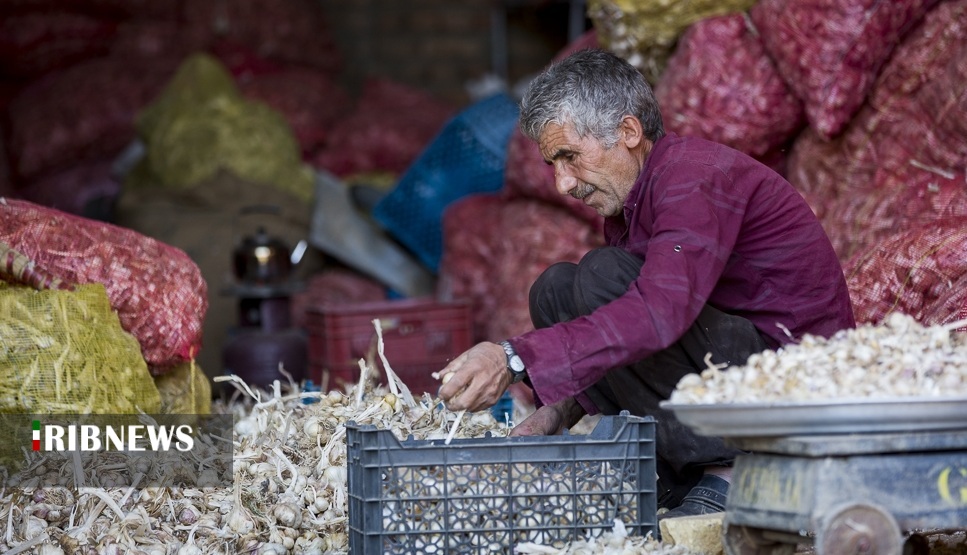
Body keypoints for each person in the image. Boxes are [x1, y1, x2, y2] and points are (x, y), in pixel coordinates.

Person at [437, 48, 855, 520]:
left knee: (603, 277)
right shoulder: (633, 199)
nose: (563, 184)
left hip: (798, 386)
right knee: (556, 288)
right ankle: (675, 474)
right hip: (736, 368)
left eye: (570, 157)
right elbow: (633, 331)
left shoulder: (693, 178)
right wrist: (557, 411)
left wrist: (513, 357)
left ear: (629, 133)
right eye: (554, 164)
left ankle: (732, 470)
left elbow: (659, 313)